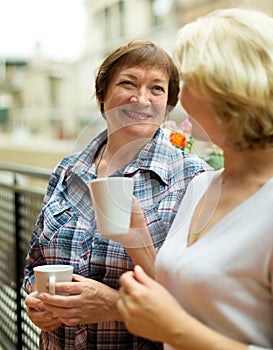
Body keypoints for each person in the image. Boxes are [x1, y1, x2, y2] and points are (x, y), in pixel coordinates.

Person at [116, 8, 273, 350]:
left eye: (187, 80)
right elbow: (186, 294)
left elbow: (175, 323)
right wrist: (136, 236)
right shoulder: (202, 185)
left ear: (227, 90)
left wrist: (175, 329)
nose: (177, 97)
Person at [22, 39, 207, 350]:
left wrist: (115, 305)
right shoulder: (67, 171)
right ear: (102, 94)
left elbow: (199, 303)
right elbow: (34, 265)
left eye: (157, 89)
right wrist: (35, 302)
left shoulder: (193, 178)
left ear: (168, 106)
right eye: (128, 83)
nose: (141, 99)